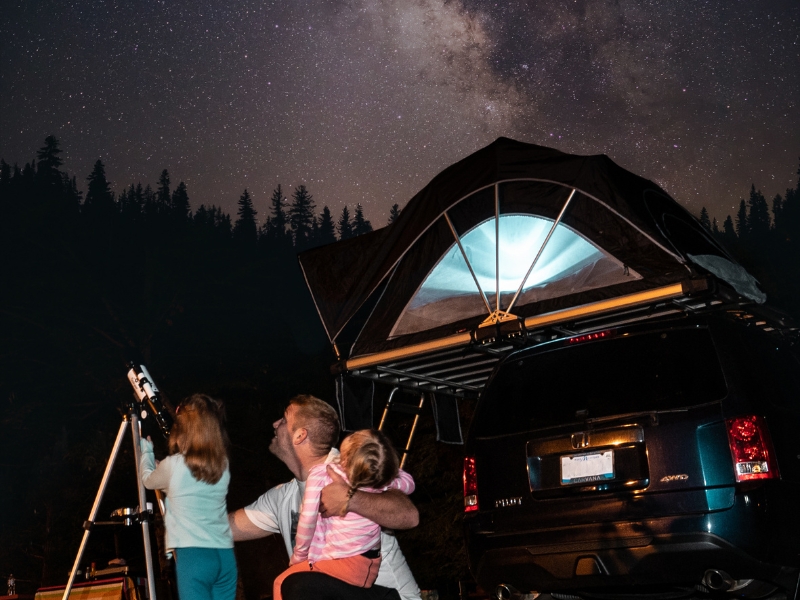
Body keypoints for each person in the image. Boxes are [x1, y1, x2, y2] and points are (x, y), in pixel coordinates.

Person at [228, 395, 421, 600]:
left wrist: (351, 498)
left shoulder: (351, 469)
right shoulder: (281, 498)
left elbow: (409, 515)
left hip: (387, 594)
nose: (275, 424)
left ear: (300, 435)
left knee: (297, 586)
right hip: (327, 589)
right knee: (293, 587)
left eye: (284, 419)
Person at [272, 429, 415, 600]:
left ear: (345, 458)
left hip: (342, 564)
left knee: (283, 582)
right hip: (367, 566)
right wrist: (393, 474)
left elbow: (307, 521)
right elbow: (409, 484)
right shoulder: (377, 479)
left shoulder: (322, 475)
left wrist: (299, 555)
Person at [140, 394, 237, 600]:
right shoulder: (222, 465)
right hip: (224, 556)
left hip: (194, 557)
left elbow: (148, 480)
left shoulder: (173, 465)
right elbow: (192, 491)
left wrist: (147, 453)